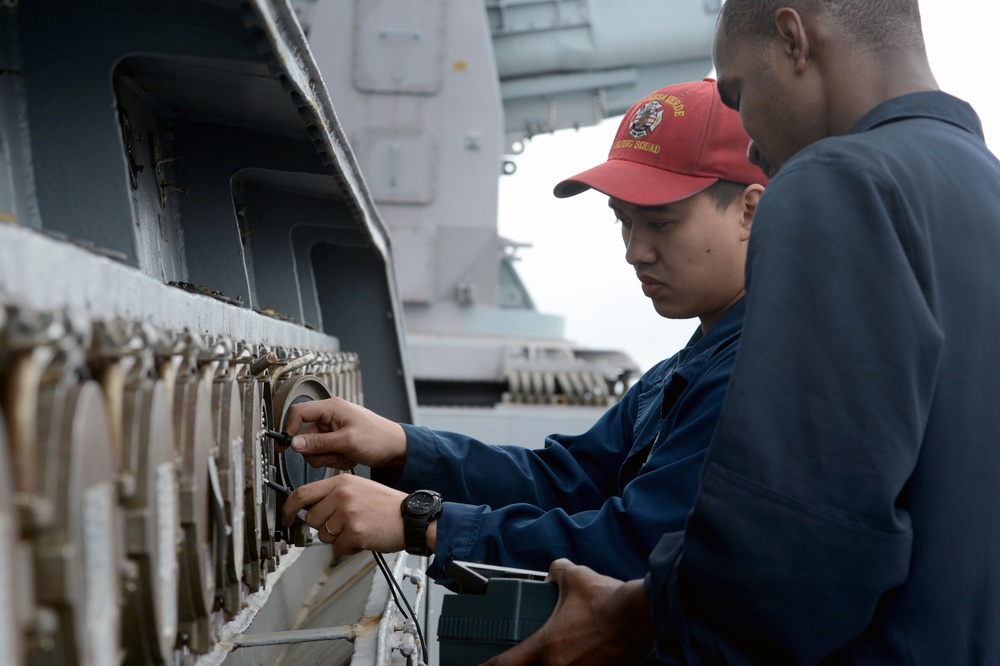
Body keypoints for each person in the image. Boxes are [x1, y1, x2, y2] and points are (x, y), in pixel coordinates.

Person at [486, 1, 1000, 664]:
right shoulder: (983, 187)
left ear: (792, 39)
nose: (753, 144)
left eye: (738, 92)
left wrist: (630, 616)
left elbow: (796, 546)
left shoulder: (838, 180)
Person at [280, 79, 767, 584]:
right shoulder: (688, 369)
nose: (634, 250)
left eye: (661, 223)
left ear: (749, 211)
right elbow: (570, 482)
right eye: (624, 221)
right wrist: (403, 446)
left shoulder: (754, 376)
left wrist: (420, 523)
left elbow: (639, 547)